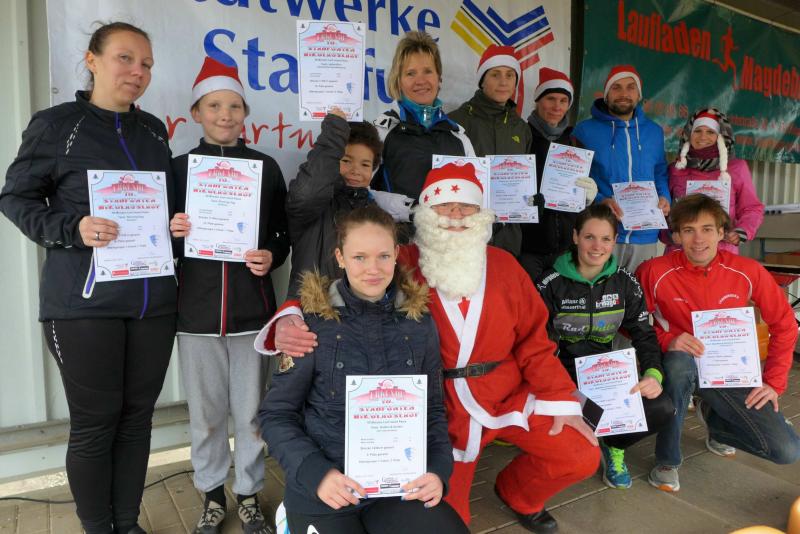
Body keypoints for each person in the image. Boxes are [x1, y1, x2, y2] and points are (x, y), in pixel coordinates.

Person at [261, 163, 600, 533]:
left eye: (466, 205)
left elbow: (535, 341)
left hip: (504, 392)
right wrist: (289, 316)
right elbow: (337, 288)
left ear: (481, 213)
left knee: (581, 454)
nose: (455, 214)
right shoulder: (401, 262)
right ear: (425, 213)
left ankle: (519, 494)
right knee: (451, 518)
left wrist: (560, 397)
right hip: (441, 406)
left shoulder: (506, 266)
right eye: (443, 205)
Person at [0, 22, 175, 534]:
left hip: (152, 303)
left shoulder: (154, 131)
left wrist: (177, 223)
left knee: (137, 421)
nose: (137, 71)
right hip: (83, 305)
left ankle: (127, 524)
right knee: (96, 425)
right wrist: (72, 228)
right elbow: (15, 198)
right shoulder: (57, 125)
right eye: (125, 58)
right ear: (92, 60)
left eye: (146, 64)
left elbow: (161, 208)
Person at [258, 205, 469, 534]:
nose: (373, 269)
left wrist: (438, 471)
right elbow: (276, 415)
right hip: (327, 488)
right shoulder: (310, 323)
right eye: (359, 257)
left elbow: (432, 410)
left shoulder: (418, 322)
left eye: (383, 256)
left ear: (396, 254)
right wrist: (316, 474)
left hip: (398, 484)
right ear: (340, 257)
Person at [168, 57, 289, 534]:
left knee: (252, 415)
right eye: (215, 105)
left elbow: (281, 233)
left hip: (251, 313)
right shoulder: (178, 169)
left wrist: (271, 255)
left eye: (234, 106)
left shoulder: (266, 168)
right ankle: (212, 496)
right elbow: (160, 243)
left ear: (245, 114)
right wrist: (173, 231)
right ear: (196, 112)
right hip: (195, 315)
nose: (225, 114)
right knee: (206, 417)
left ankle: (249, 494)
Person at [636, 194, 800, 493]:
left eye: (707, 229)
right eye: (689, 230)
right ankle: (667, 461)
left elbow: (785, 325)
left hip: (730, 370)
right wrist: (668, 339)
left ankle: (716, 420)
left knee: (786, 450)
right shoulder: (654, 271)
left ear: (722, 232)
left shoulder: (748, 270)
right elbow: (632, 322)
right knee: (678, 365)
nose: (698, 239)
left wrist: (773, 383)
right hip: (679, 365)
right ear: (676, 236)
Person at [535, 204, 674, 489]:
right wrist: (557, 389)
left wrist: (652, 374)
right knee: (567, 445)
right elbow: (537, 346)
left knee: (661, 407)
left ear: (614, 241)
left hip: (607, 376)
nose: (597, 246)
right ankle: (582, 438)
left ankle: (614, 444)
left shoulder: (625, 283)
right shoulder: (549, 283)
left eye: (606, 239)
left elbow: (644, 334)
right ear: (575, 237)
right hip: (561, 377)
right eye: (589, 237)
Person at [285, 106, 412, 297]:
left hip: (362, 313)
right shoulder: (313, 205)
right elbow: (310, 189)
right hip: (310, 311)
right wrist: (335, 132)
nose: (356, 171)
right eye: (346, 161)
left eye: (365, 164)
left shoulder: (376, 213)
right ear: (332, 160)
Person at [372, 31, 474, 239]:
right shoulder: (381, 132)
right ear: (398, 80)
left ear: (439, 78)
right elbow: (360, 190)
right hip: (401, 246)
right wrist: (409, 209)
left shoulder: (459, 137)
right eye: (410, 73)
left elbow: (475, 196)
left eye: (428, 71)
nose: (421, 80)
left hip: (450, 248)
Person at [572, 65, 670, 273]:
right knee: (600, 290)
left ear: (639, 95)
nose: (624, 94)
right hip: (603, 233)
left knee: (639, 290)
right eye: (616, 87)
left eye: (630, 87)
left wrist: (665, 197)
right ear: (606, 94)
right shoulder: (584, 131)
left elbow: (660, 172)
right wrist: (600, 200)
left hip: (645, 234)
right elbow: (576, 179)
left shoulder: (654, 132)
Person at [448, 44, 532, 255]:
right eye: (495, 74)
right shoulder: (456, 121)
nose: (503, 82)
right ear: (482, 80)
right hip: (466, 233)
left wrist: (530, 201)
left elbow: (524, 181)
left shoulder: (521, 128)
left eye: (510, 75)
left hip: (508, 237)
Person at [520, 67, 598, 281]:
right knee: (530, 300)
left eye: (563, 101)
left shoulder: (575, 144)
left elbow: (582, 197)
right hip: (528, 247)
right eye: (551, 99)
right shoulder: (522, 137)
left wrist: (587, 197)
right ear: (538, 101)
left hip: (565, 248)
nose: (557, 107)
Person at [666, 107, 763, 254]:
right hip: (680, 251)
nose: (702, 137)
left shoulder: (737, 168)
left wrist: (741, 231)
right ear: (689, 134)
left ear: (720, 136)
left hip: (723, 252)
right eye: (698, 131)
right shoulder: (676, 169)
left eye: (710, 132)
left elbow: (751, 208)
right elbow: (662, 210)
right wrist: (669, 235)